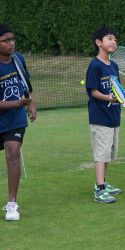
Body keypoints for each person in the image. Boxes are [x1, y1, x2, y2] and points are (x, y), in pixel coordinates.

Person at [0, 24, 36, 221]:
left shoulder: (18, 59)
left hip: (15, 118)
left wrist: (31, 105)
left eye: (12, 39)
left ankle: (12, 204)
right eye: (6, 40)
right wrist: (17, 102)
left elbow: (27, 86)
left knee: (13, 152)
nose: (11, 43)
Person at [85, 26, 122, 203]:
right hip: (100, 118)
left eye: (114, 39)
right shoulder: (95, 65)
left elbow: (117, 88)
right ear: (99, 42)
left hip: (113, 116)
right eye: (109, 38)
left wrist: (121, 95)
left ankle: (103, 184)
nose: (113, 41)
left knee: (107, 153)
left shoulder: (114, 65)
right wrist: (108, 97)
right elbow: (93, 92)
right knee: (101, 154)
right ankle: (99, 190)